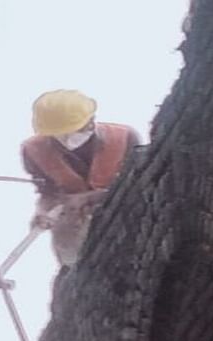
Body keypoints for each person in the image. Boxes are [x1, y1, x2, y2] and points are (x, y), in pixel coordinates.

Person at [21, 89, 140, 266]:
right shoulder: (33, 150)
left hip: (123, 216)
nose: (67, 138)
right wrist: (43, 212)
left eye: (72, 130)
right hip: (72, 226)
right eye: (59, 133)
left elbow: (139, 185)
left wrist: (88, 198)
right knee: (74, 268)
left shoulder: (124, 137)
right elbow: (47, 192)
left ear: (91, 120)